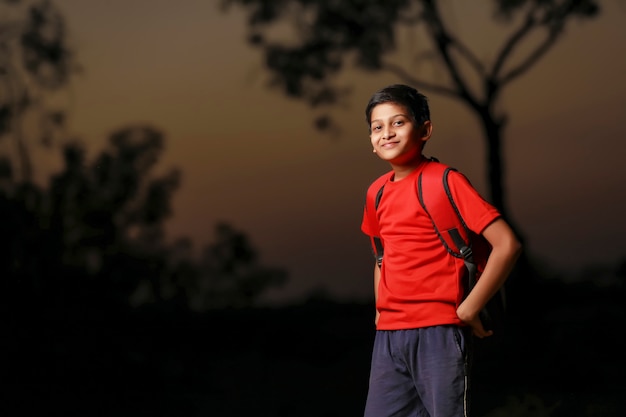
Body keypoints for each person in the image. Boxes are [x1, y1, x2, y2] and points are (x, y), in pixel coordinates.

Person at [360, 84, 522, 417]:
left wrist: (467, 309)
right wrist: (380, 312)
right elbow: (381, 256)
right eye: (378, 127)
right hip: (390, 337)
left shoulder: (445, 181)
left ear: (425, 130)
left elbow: (507, 244)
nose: (387, 133)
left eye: (398, 123)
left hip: (440, 332)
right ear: (372, 142)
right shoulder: (375, 193)